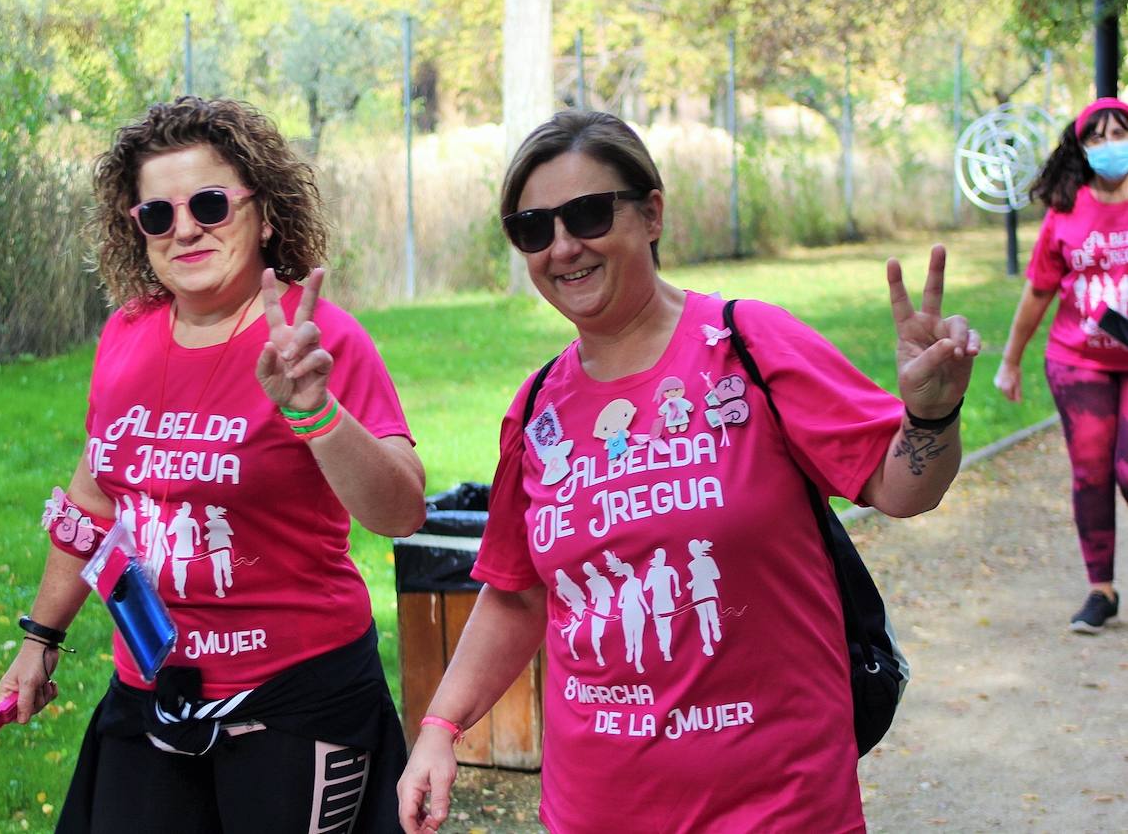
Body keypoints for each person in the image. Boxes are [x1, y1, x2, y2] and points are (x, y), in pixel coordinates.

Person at [397, 110, 979, 833]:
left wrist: (931, 415)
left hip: (777, 808)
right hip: (594, 811)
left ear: (651, 214)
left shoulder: (748, 344)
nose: (563, 246)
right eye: (533, 228)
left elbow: (903, 488)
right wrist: (441, 726)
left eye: (587, 213)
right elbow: (517, 596)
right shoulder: (538, 407)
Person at [0, 96, 426, 833]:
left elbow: (402, 511)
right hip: (152, 688)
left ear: (265, 215)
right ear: (136, 230)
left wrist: (315, 409)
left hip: (293, 700)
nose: (186, 228)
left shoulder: (317, 338)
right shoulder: (127, 334)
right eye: (157, 215)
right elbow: (95, 494)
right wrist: (42, 636)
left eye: (209, 204)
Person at [995, 96, 1128, 634]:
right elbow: (1038, 292)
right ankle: (1101, 590)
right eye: (1097, 136)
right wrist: (1010, 361)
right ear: (1081, 148)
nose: (1110, 145)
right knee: (1092, 470)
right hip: (1078, 359)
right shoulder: (1067, 209)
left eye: (1119, 133)